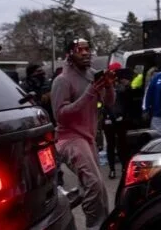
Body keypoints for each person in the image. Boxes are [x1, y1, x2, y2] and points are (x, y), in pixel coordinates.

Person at [50, 37, 115, 230]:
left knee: (94, 187)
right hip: (69, 139)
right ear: (70, 54)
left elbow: (109, 103)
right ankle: (96, 226)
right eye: (80, 50)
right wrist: (90, 92)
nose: (86, 53)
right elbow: (60, 116)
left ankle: (57, 208)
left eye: (88, 49)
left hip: (89, 138)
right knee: (94, 184)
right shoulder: (62, 80)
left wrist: (109, 85)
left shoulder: (93, 75)